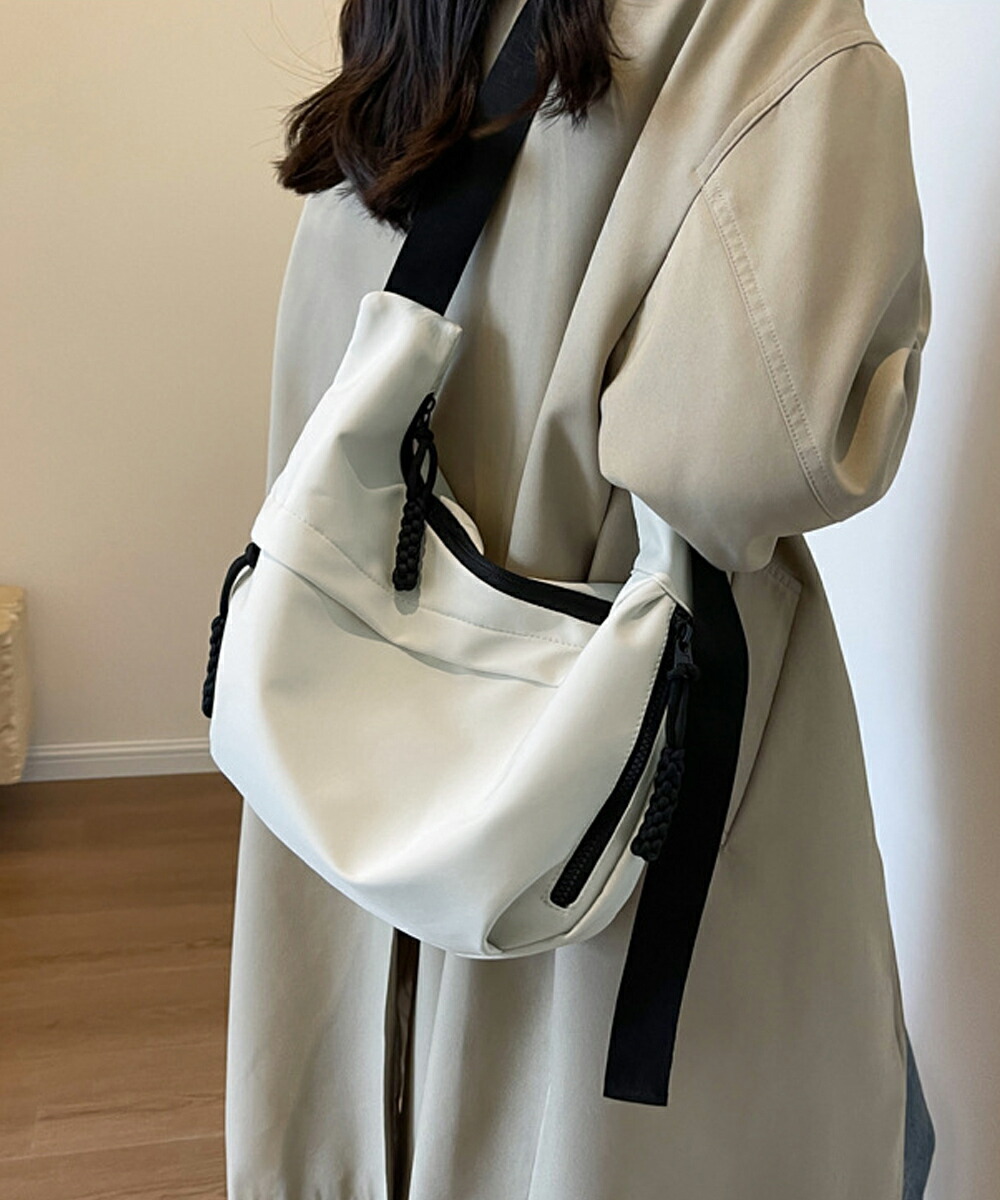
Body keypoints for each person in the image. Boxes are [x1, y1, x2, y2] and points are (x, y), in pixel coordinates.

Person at [224, 0, 936, 1196]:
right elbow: (744, 453)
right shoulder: (766, 25)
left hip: (362, 685)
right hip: (610, 755)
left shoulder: (408, 23)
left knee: (375, 1094)